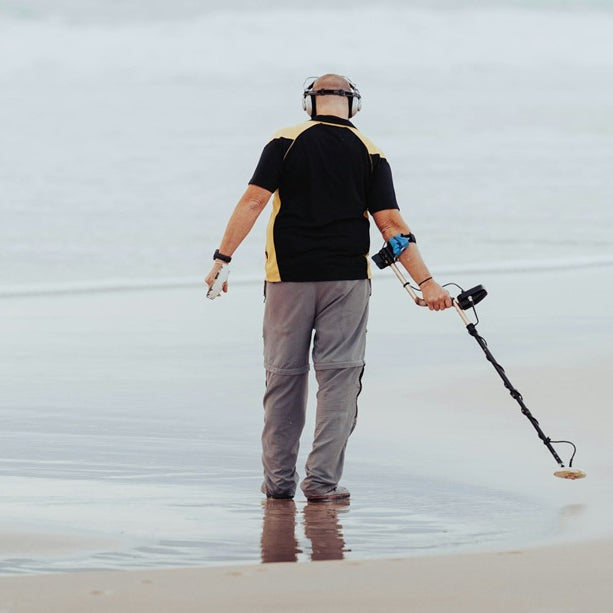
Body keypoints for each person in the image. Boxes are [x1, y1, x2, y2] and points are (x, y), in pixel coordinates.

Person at [205, 73, 452, 503]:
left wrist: (222, 259)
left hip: (287, 279)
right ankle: (321, 484)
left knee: (283, 378)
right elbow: (391, 225)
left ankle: (278, 484)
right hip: (347, 281)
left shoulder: (286, 139)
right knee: (339, 379)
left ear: (309, 103)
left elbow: (253, 201)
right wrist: (426, 283)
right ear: (353, 105)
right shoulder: (370, 151)